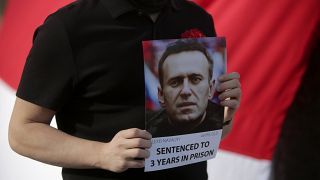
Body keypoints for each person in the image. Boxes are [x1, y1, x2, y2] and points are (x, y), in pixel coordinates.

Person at [8, 0, 241, 180]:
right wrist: (101, 154)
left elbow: (210, 138)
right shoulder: (68, 27)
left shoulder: (196, 18)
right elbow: (22, 132)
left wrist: (222, 118)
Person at [147, 40, 224, 137]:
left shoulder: (225, 120)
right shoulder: (145, 131)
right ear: (161, 94)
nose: (186, 91)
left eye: (195, 79)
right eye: (175, 82)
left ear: (211, 89)